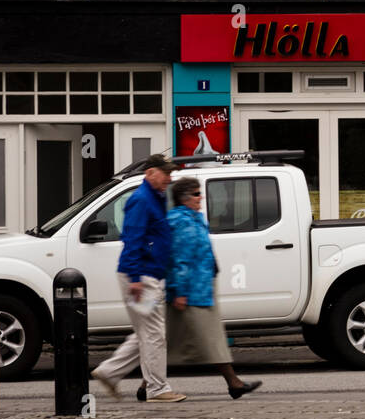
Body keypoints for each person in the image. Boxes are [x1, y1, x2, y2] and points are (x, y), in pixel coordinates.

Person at [92, 154, 185, 402]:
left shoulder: (154, 197)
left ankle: (109, 372)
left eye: (170, 174)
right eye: (165, 173)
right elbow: (132, 239)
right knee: (154, 333)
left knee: (145, 332)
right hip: (142, 276)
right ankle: (157, 388)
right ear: (150, 173)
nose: (169, 178)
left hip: (146, 273)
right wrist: (135, 278)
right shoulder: (142, 200)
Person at [165, 176, 262, 399]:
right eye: (197, 194)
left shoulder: (195, 219)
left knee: (170, 342)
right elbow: (180, 259)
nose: (201, 198)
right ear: (184, 198)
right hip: (192, 292)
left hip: (200, 288)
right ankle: (234, 383)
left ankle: (145, 384)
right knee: (211, 340)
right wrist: (180, 291)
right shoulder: (182, 222)